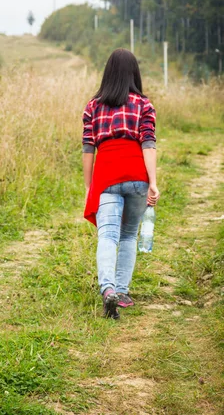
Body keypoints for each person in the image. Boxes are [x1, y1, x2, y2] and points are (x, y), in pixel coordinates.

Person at [82, 48, 160, 320]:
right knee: (128, 235)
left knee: (108, 235)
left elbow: (88, 149)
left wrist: (89, 186)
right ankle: (123, 292)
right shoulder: (144, 105)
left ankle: (108, 290)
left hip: (106, 176)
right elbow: (148, 144)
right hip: (137, 173)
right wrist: (153, 182)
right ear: (134, 73)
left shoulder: (93, 106)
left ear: (108, 73)